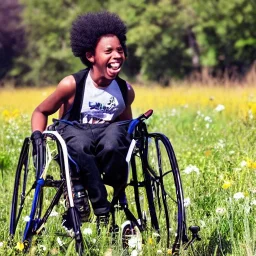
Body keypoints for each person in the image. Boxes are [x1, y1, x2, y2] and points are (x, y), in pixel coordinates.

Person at [30, 11, 135, 225]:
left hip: (106, 136)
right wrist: (37, 139)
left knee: (115, 140)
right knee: (81, 144)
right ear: (90, 56)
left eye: (120, 50)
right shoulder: (71, 84)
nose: (117, 55)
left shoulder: (125, 90)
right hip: (75, 132)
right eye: (108, 51)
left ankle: (116, 193)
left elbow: (125, 128)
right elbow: (40, 112)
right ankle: (101, 209)